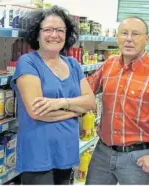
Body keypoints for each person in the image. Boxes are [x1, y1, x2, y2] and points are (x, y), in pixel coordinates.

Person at [85, 16, 149, 185]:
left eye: (135, 34)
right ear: (117, 37)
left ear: (147, 39)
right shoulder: (109, 65)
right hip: (102, 153)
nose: (128, 39)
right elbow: (86, 90)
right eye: (124, 33)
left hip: (137, 159)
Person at [10, 5, 96, 185]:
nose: (54, 35)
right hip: (38, 155)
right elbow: (37, 112)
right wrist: (76, 111)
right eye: (48, 30)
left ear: (67, 34)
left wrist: (59, 103)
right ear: (37, 34)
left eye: (60, 30)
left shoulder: (73, 64)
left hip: (67, 150)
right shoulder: (28, 62)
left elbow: (90, 102)